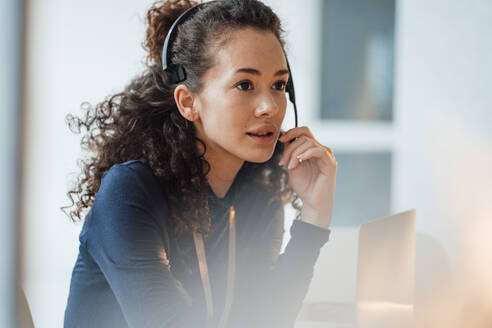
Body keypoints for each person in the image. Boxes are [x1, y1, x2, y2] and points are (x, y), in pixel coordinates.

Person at [62, 0, 338, 327]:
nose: (269, 107)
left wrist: (315, 216)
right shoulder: (129, 193)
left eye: (278, 85)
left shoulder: (257, 191)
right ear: (188, 102)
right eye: (245, 85)